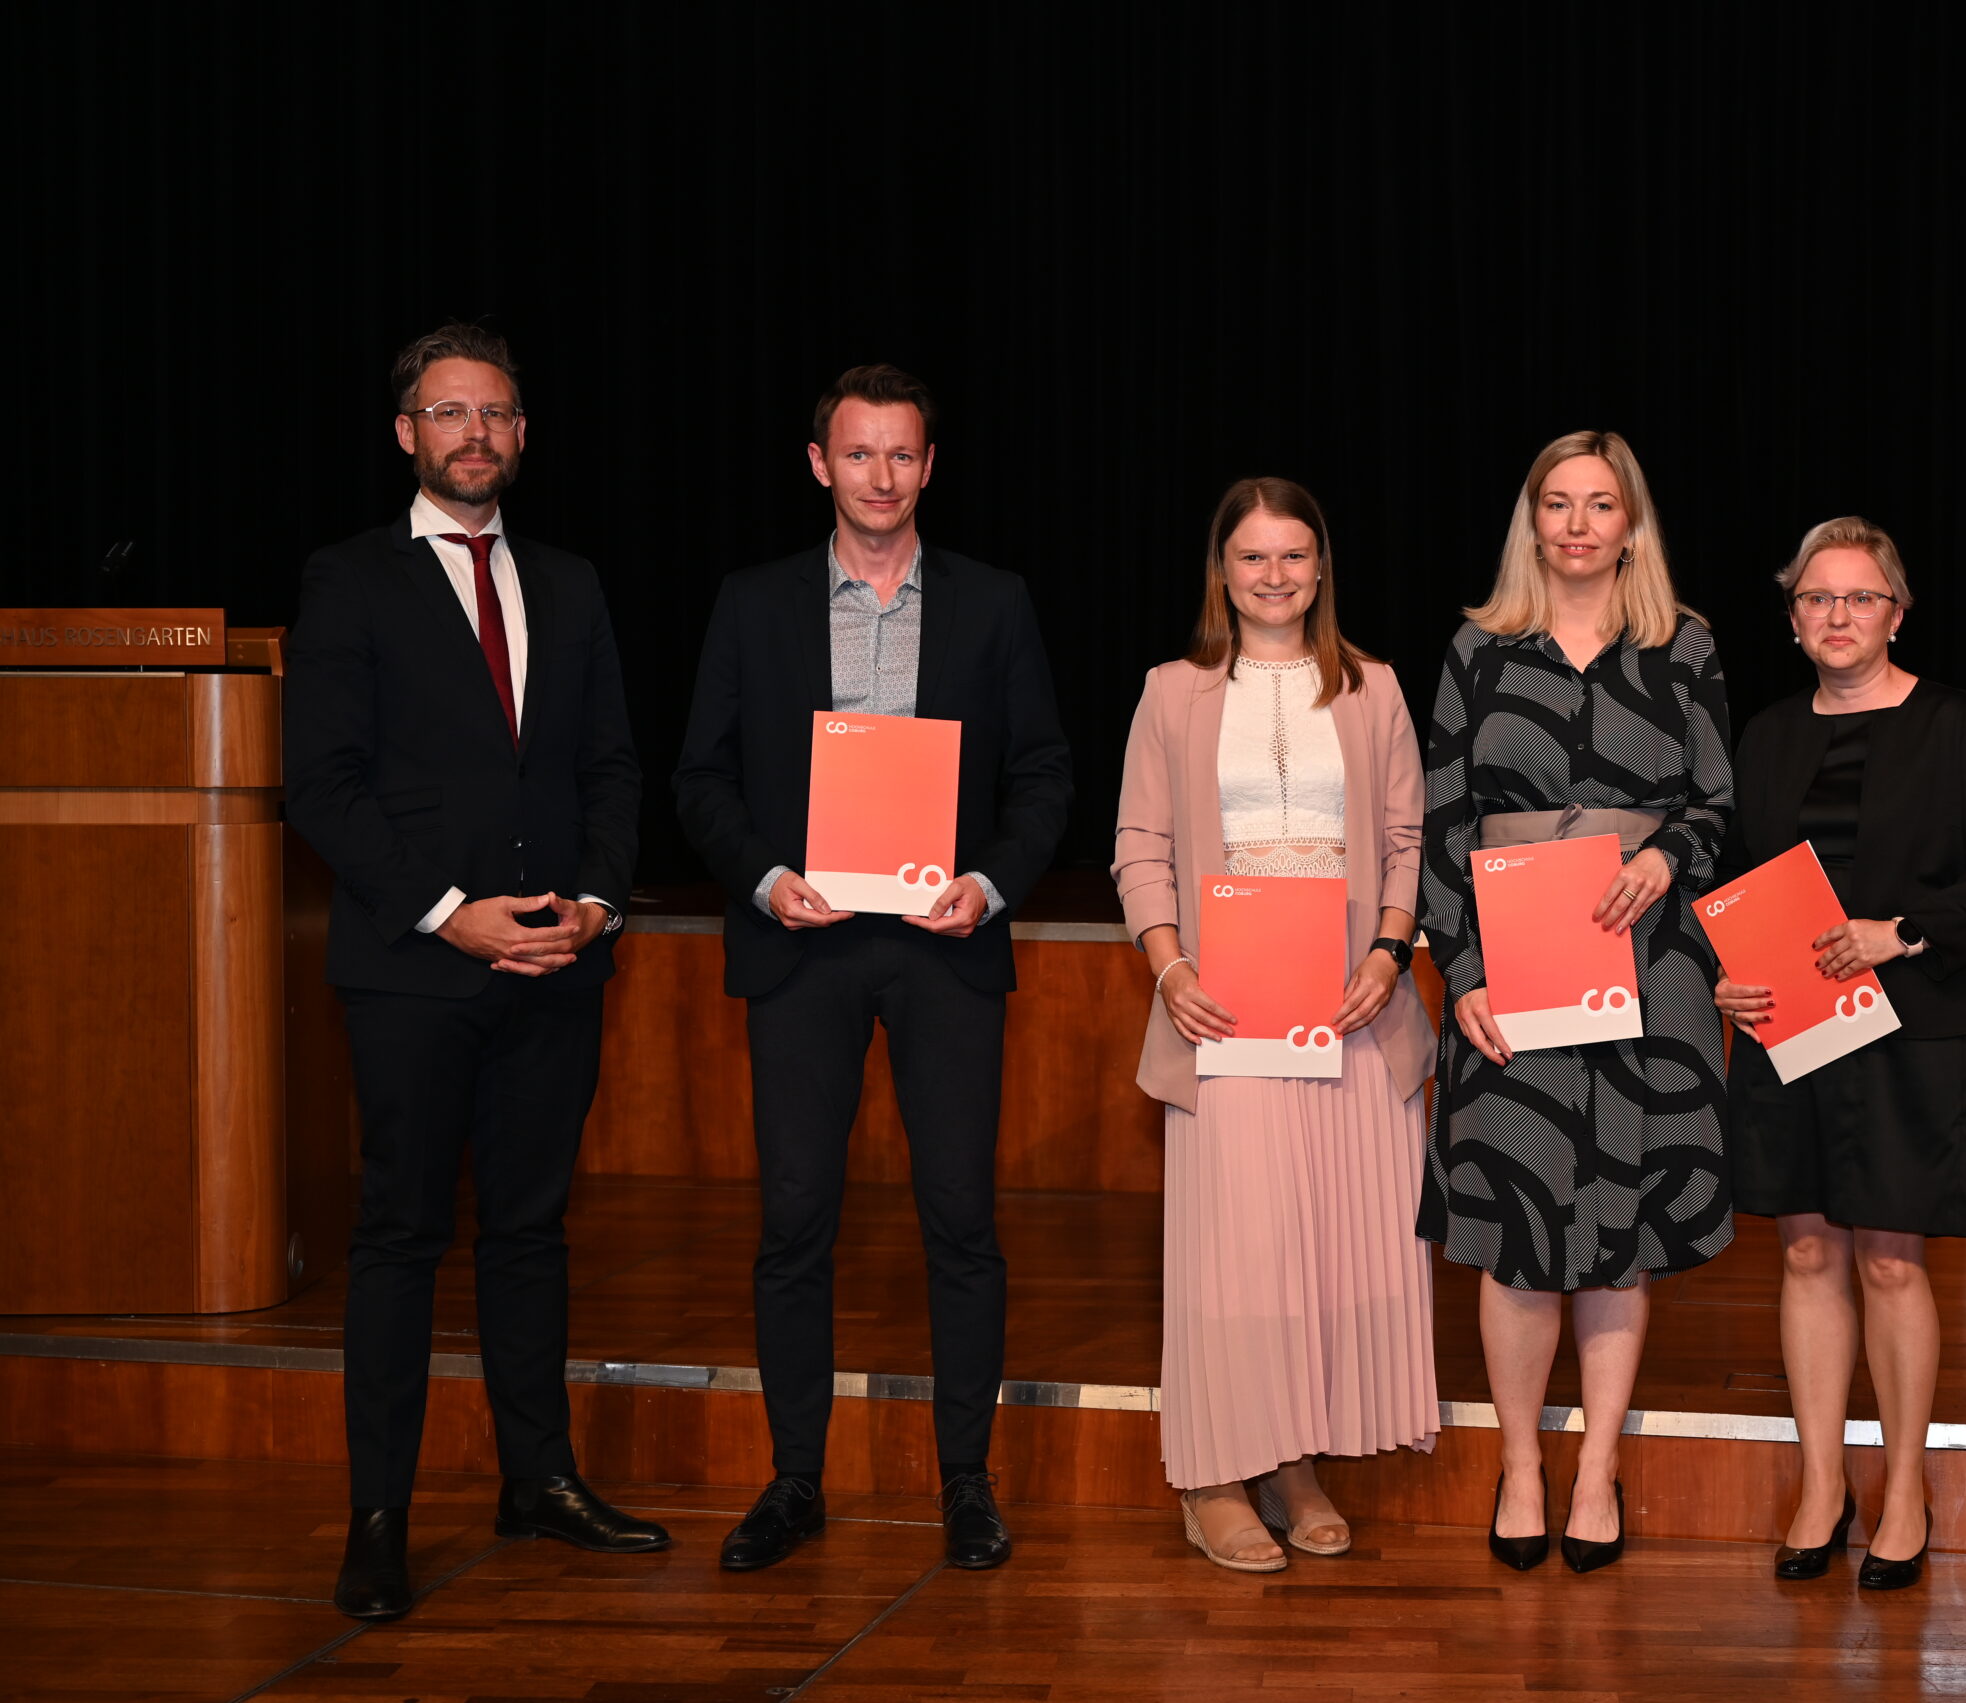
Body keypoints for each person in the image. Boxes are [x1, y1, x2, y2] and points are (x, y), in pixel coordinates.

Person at [284, 324, 664, 1623]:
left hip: (556, 964)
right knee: (399, 1238)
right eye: (450, 412)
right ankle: (379, 1519)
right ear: (407, 432)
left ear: (520, 431)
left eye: (496, 412)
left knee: (530, 1233)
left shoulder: (569, 580)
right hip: (411, 973)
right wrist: (452, 914)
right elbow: (322, 788)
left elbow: (611, 764)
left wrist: (599, 903)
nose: (475, 434)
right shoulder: (347, 580)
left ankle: (537, 1479)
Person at [673, 364, 1072, 1573]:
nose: (882, 477)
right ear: (818, 464)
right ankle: (795, 1478)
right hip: (804, 947)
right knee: (795, 1220)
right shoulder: (752, 604)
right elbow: (700, 777)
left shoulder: (993, 602)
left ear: (928, 467)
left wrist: (991, 881)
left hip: (944, 948)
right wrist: (764, 876)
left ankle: (966, 1482)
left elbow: (1044, 773)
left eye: (902, 455)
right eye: (859, 455)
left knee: (961, 1219)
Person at [1418, 431, 1735, 1574]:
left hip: (1646, 968)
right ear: (1532, 520)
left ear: (1630, 524)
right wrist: (1460, 974)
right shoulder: (1476, 649)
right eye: (1557, 504)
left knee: (1617, 1238)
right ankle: (1518, 1462)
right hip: (1513, 970)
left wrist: (1668, 857)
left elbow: (1714, 801)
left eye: (1602, 505)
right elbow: (1440, 827)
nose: (1578, 525)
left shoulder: (1682, 644)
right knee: (1518, 1231)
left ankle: (1597, 1463)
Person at [1111, 478, 1440, 1573]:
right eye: (1253, 557)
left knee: (1326, 1253)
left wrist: (1389, 953)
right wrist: (1170, 969)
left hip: (1350, 1008)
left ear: (1320, 566)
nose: (1274, 575)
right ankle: (1210, 1474)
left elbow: (1407, 839)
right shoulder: (1172, 690)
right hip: (1226, 1011)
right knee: (1235, 1255)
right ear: (1223, 569)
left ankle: (1291, 1457)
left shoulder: (1375, 687)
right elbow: (1139, 846)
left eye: (1294, 556)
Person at [1714, 516, 1966, 1590]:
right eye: (1815, 599)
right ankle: (1819, 1484)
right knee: (1806, 1252)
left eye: (1858, 597)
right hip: (1787, 1023)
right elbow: (1729, 882)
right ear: (1793, 619)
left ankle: (1903, 1488)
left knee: (1891, 1258)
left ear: (1896, 612)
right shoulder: (1762, 735)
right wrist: (1720, 970)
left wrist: (1900, 930)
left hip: (1905, 1021)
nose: (1836, 616)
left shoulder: (1957, 723)